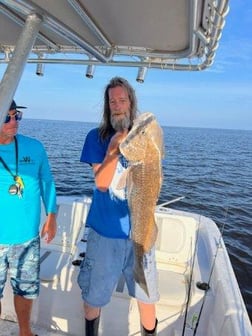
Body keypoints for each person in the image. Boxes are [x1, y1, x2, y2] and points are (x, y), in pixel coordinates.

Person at [78, 77, 159, 336]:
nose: (117, 106)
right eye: (112, 101)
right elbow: (101, 183)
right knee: (94, 298)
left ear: (131, 102)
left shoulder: (143, 138)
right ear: (107, 106)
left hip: (141, 234)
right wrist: (113, 149)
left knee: (147, 298)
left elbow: (155, 178)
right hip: (105, 235)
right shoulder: (96, 137)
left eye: (122, 100)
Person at [0, 100, 57, 336]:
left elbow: (47, 181)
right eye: (7, 118)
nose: (14, 123)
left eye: (17, 116)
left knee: (26, 290)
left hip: (27, 238)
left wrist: (52, 214)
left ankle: (25, 331)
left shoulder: (35, 147)